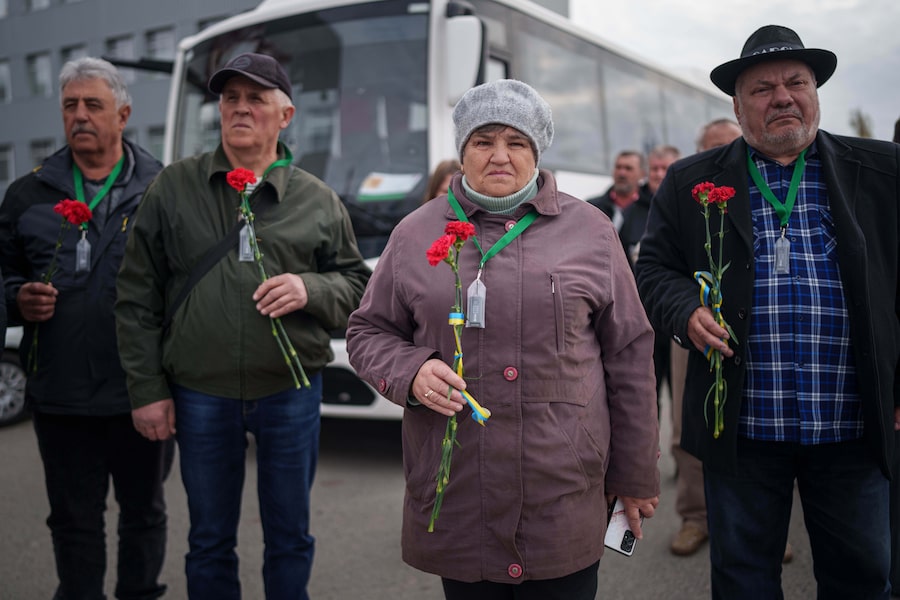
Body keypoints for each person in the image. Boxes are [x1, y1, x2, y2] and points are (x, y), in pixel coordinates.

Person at [346, 79, 660, 600]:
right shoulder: (414, 233)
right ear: (462, 152)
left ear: (536, 151)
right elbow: (367, 331)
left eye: (516, 142)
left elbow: (628, 356)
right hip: (461, 489)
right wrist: (411, 370)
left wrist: (635, 473)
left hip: (562, 487)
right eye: (482, 141)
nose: (499, 155)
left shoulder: (592, 231)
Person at [635, 25, 899, 599]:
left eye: (795, 82)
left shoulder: (883, 170)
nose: (782, 96)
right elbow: (652, 272)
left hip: (852, 426)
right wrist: (685, 312)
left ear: (815, 92)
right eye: (762, 88)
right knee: (744, 581)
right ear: (737, 104)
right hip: (743, 430)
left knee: (862, 578)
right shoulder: (690, 181)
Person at [114, 52, 371, 600]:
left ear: (286, 114)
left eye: (256, 98)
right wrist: (147, 390)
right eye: (230, 98)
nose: (240, 108)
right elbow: (136, 295)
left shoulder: (317, 199)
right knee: (208, 538)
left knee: (290, 536)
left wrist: (310, 288)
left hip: (289, 392)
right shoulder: (173, 187)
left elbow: (356, 288)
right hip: (199, 393)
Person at [0, 57, 170, 599]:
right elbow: (3, 274)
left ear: (122, 114)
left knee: (143, 515)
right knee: (73, 522)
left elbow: (184, 284)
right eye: (70, 105)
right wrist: (13, 298)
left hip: (139, 393)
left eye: (93, 105)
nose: (80, 115)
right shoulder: (27, 194)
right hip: (60, 396)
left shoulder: (163, 189)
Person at [666, 119, 741, 558]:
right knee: (687, 423)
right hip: (691, 328)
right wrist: (685, 311)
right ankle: (695, 517)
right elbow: (658, 265)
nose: (722, 156)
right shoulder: (682, 192)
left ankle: (766, 526)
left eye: (730, 146)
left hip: (746, 330)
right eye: (713, 148)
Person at [587, 149, 651, 267]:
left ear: (642, 174)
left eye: (628, 168)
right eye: (618, 167)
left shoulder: (651, 212)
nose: (622, 173)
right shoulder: (591, 208)